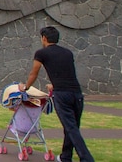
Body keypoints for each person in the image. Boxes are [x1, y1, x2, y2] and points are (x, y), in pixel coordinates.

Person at [20, 26, 95, 162]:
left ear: (44, 38)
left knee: (71, 128)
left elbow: (34, 73)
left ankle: (87, 158)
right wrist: (54, 84)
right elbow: (67, 73)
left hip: (62, 95)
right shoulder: (68, 53)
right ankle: (66, 157)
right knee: (71, 127)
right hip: (76, 94)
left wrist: (25, 87)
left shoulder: (41, 53)